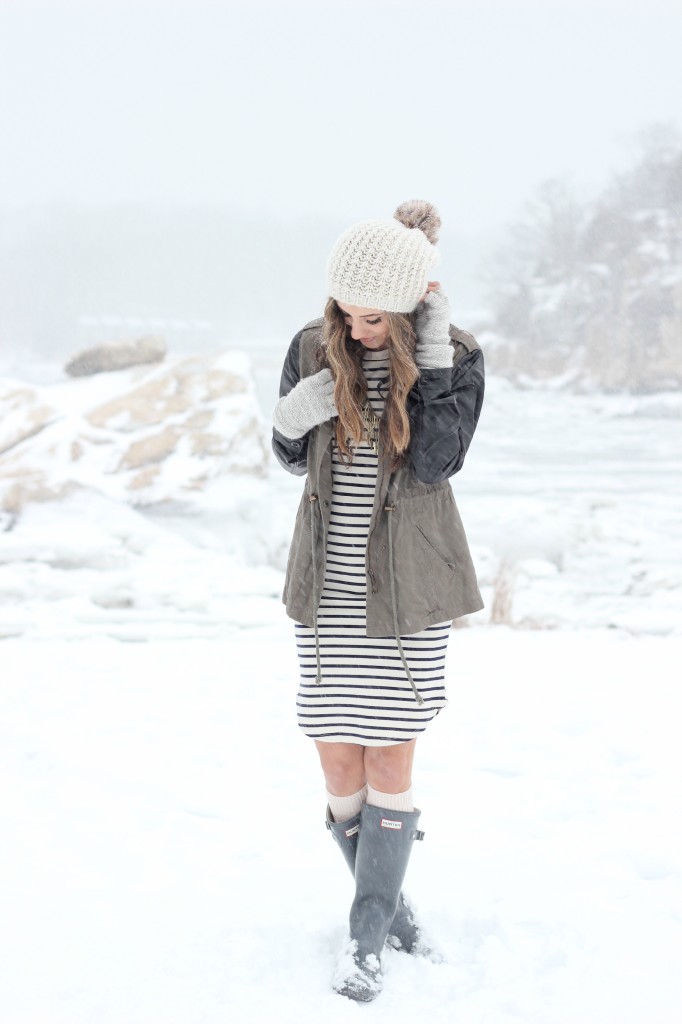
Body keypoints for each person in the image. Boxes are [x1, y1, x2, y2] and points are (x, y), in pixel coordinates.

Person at [271, 200, 485, 1002]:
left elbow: (434, 463)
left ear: (403, 309)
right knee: (336, 757)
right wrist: (300, 410)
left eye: (374, 317)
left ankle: (365, 936)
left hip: (409, 589)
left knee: (390, 753)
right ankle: (390, 912)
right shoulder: (308, 348)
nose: (357, 329)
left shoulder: (456, 357)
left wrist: (427, 357)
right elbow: (289, 456)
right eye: (346, 312)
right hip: (327, 587)